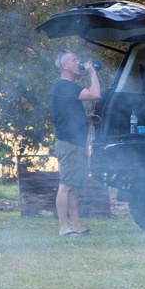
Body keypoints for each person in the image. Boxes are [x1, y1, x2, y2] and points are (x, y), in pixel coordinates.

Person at [52, 49, 100, 237]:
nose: (78, 62)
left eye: (78, 59)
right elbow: (95, 94)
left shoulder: (67, 89)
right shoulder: (65, 87)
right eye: (74, 60)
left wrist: (86, 118)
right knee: (66, 185)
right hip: (69, 144)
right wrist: (92, 72)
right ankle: (64, 227)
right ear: (64, 66)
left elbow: (68, 114)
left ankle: (77, 225)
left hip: (76, 143)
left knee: (75, 186)